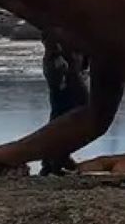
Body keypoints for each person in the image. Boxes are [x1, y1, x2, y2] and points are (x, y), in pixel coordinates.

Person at [39, 35, 91, 175]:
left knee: (65, 110)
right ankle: (56, 158)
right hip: (65, 68)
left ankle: (57, 157)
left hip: (69, 67)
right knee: (68, 109)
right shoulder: (61, 29)